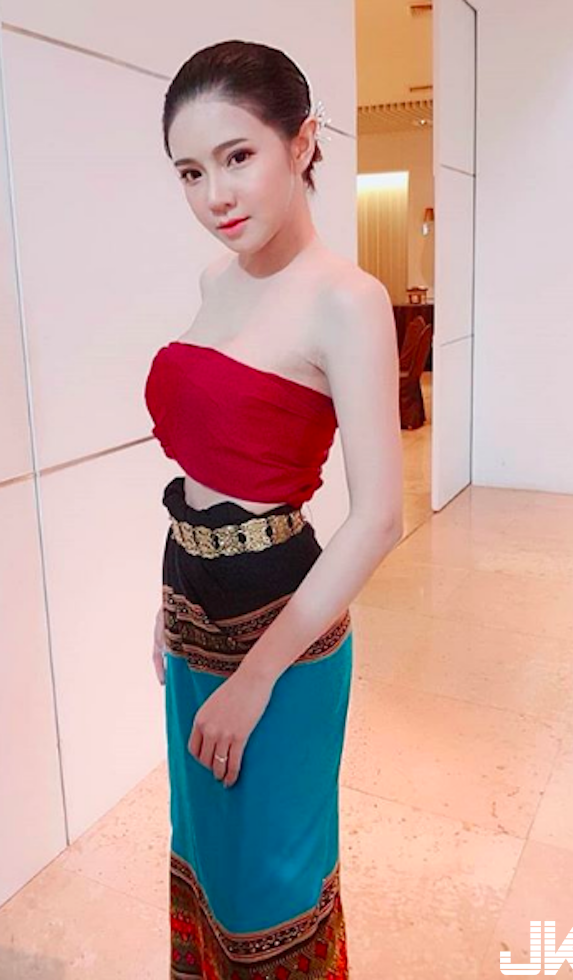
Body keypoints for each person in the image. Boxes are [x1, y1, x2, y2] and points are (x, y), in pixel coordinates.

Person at [143, 39, 404, 980]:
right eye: (190, 171)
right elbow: (198, 473)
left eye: (237, 156)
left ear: (302, 142)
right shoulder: (214, 284)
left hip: (279, 624)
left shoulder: (348, 300)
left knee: (272, 883)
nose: (215, 194)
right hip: (189, 600)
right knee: (208, 854)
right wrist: (165, 603)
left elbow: (378, 517)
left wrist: (256, 677)